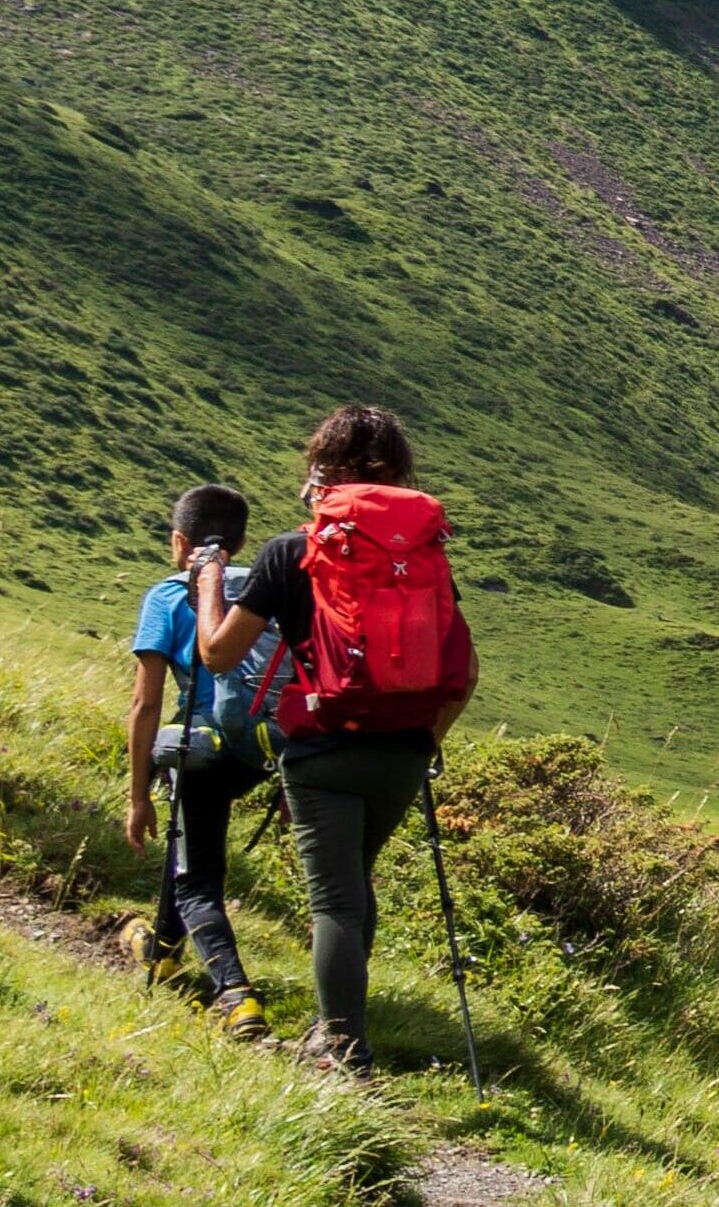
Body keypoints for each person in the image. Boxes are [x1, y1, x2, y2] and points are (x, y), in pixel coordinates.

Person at [195, 406, 476, 1077]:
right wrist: (424, 741)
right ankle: (337, 1029)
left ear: (319, 470)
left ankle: (342, 1051)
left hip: (323, 749)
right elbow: (462, 671)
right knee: (353, 890)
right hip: (403, 748)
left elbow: (216, 654)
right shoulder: (423, 556)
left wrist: (207, 584)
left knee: (335, 904)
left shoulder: (290, 552)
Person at [120, 485, 273, 1042]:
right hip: (261, 751)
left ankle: (236, 996)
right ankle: (159, 950)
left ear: (180, 542)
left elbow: (146, 703)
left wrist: (137, 797)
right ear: (240, 541)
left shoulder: (167, 596)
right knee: (194, 840)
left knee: (198, 882)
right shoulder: (265, 588)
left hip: (203, 750)